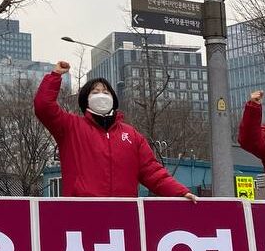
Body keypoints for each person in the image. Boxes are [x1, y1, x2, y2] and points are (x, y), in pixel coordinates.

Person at [34, 61, 197, 200]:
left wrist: (180, 192)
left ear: (113, 99)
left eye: (106, 92)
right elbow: (44, 107)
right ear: (86, 100)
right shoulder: (71, 127)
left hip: (124, 215)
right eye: (95, 92)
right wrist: (55, 76)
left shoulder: (132, 135)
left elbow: (152, 172)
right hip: (82, 213)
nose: (101, 95)